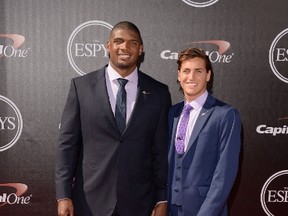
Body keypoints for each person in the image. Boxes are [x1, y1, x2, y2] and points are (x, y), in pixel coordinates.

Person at [55, 21, 171, 216]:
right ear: (108, 46)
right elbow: (67, 144)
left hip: (139, 202)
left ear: (140, 49)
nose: (125, 47)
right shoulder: (81, 87)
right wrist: (63, 195)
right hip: (90, 201)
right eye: (118, 41)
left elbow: (160, 151)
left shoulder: (159, 92)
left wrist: (161, 197)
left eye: (132, 43)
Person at [167, 48, 241, 216]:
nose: (191, 77)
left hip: (205, 210)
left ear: (208, 75)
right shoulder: (173, 113)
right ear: (179, 75)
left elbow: (224, 174)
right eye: (186, 71)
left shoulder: (225, 114)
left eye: (198, 71)